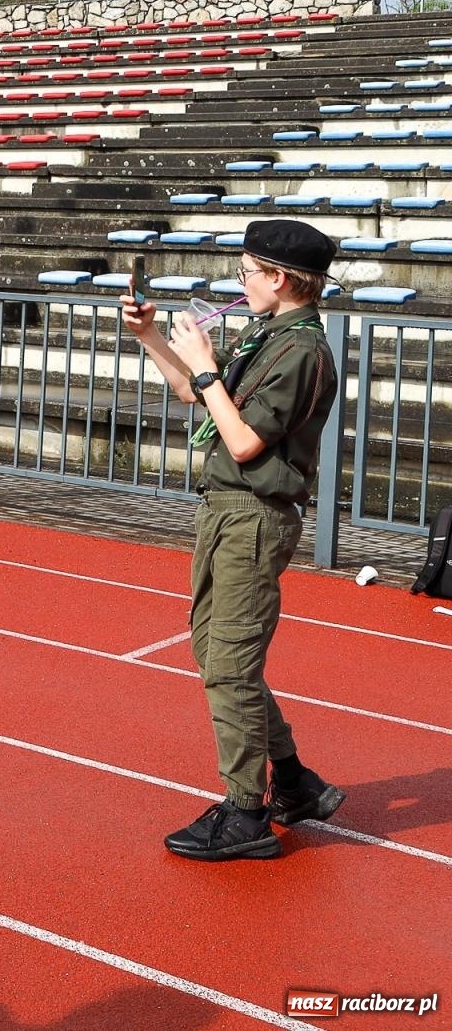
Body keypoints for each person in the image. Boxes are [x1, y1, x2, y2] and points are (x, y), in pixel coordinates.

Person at [120, 218, 346, 861]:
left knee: (229, 665)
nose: (240, 283)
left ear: (280, 278)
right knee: (214, 651)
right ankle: (295, 782)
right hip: (226, 509)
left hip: (255, 513)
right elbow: (193, 394)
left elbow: (244, 441)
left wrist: (207, 371)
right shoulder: (268, 333)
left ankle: (247, 812)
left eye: (247, 273)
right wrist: (152, 338)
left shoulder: (303, 351)